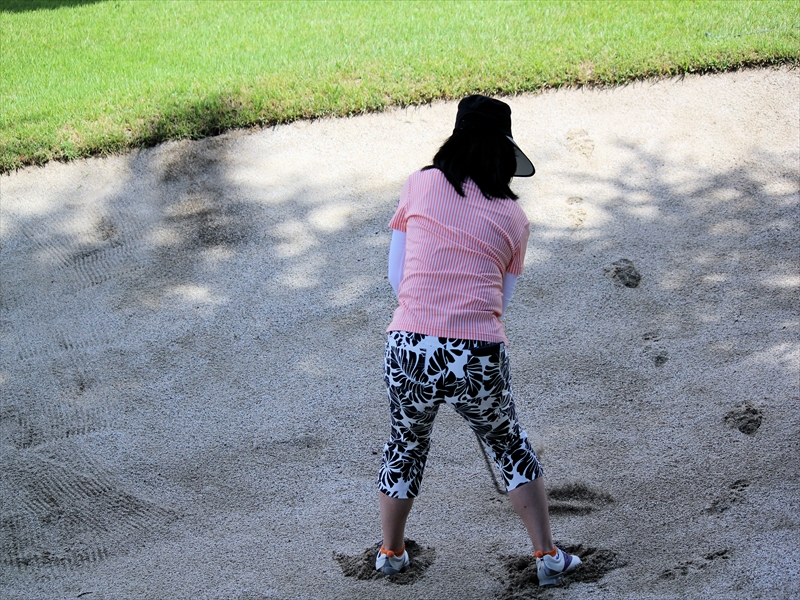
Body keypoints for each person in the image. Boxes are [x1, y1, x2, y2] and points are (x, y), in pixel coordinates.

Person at [375, 95, 582, 587]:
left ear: (455, 141)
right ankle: (548, 556)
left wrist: (431, 321)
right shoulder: (514, 217)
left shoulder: (420, 184)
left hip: (409, 346)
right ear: (503, 154)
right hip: (477, 354)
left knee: (405, 445)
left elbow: (396, 277)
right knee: (509, 445)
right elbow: (499, 303)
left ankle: (391, 553)